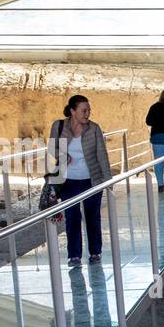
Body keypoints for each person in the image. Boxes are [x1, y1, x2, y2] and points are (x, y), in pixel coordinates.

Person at [47, 94, 112, 267]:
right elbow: (52, 149)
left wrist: (108, 180)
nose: (87, 113)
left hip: (92, 180)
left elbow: (102, 154)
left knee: (93, 217)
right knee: (72, 217)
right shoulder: (59, 126)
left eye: (89, 110)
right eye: (84, 110)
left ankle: (95, 252)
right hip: (68, 180)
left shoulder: (94, 128)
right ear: (72, 111)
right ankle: (74, 255)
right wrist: (63, 156)